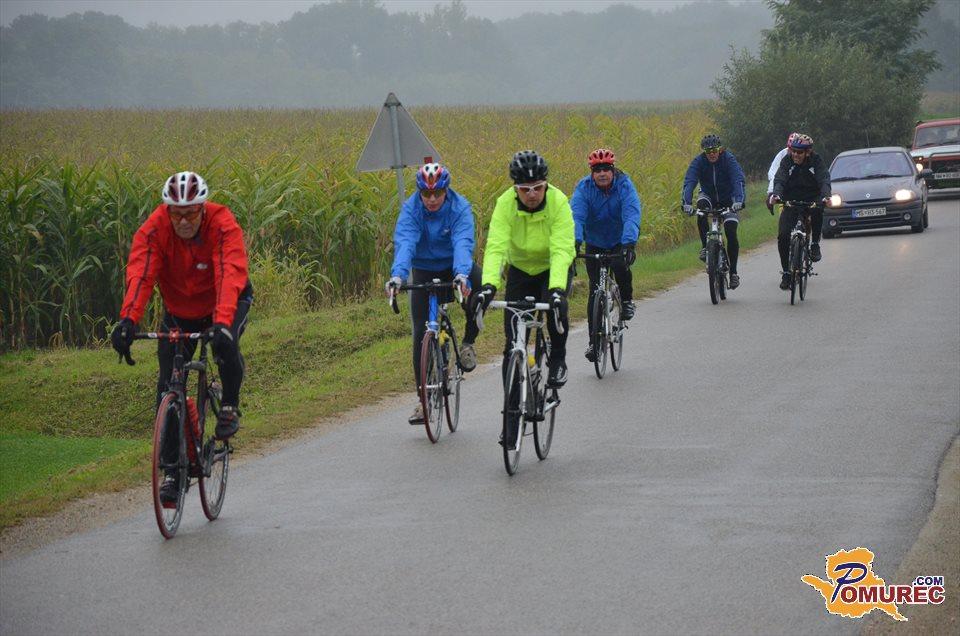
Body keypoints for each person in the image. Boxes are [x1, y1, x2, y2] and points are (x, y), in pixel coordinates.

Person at [110, 171, 253, 504]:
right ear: (167, 211)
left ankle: (229, 405)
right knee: (167, 385)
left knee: (225, 345)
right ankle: (173, 472)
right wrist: (128, 320)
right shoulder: (155, 229)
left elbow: (228, 272)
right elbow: (142, 273)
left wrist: (222, 323)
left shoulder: (222, 224)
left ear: (203, 208)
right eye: (177, 214)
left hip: (226, 301)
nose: (184, 221)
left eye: (191, 213)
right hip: (179, 309)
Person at [385, 163, 481, 425]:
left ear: (445, 191)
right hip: (424, 269)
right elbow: (406, 242)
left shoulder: (459, 207)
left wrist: (461, 273)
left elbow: (462, 242)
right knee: (420, 332)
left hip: (454, 266)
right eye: (426, 194)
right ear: (420, 193)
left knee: (481, 288)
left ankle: (468, 343)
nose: (432, 199)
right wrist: (398, 276)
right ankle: (423, 401)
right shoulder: (411, 209)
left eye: (437, 193)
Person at [475, 150, 575, 390]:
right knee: (512, 344)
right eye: (525, 189)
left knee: (555, 311)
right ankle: (511, 411)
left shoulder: (558, 202)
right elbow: (496, 248)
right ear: (515, 188)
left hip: (552, 267)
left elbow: (562, 249)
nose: (532, 194)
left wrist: (557, 289)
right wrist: (489, 285)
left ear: (546, 184)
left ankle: (558, 359)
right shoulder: (505, 204)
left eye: (538, 188)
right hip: (520, 269)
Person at [570, 148, 641, 362]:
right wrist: (574, 243)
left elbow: (631, 214)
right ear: (592, 172)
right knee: (595, 291)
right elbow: (576, 216)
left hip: (619, 239)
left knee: (620, 267)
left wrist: (629, 244)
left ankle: (626, 300)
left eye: (606, 169)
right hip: (595, 241)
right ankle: (593, 343)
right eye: (597, 170)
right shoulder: (584, 188)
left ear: (613, 170)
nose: (602, 174)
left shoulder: (624, 186)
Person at [681, 134, 746, 289]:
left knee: (731, 231)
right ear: (704, 151)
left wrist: (738, 200)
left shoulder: (728, 159)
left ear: (720, 149)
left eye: (714, 150)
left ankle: (733, 273)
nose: (711, 154)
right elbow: (689, 181)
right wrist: (686, 203)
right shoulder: (699, 161)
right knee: (701, 209)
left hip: (728, 198)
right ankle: (705, 247)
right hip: (708, 195)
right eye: (708, 151)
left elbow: (737, 179)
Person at [768, 133, 832, 290]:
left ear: (807, 152)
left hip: (811, 197)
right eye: (793, 151)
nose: (795, 155)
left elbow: (824, 179)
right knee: (783, 235)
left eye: (799, 152)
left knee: (817, 211)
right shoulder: (787, 161)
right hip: (791, 200)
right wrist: (776, 195)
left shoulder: (816, 161)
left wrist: (825, 196)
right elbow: (780, 179)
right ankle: (786, 272)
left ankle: (815, 244)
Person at [767, 132, 798, 211]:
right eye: (790, 149)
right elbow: (774, 174)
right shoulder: (782, 155)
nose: (793, 153)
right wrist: (771, 193)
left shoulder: (808, 156)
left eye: (796, 150)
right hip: (786, 192)